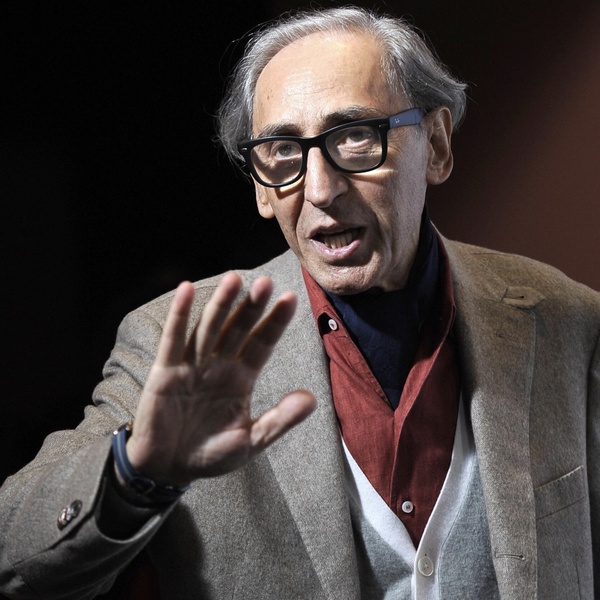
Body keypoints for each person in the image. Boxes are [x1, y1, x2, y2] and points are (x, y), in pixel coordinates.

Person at [1, 5, 599, 599]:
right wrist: (136, 474)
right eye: (283, 150)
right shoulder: (175, 340)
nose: (319, 189)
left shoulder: (569, 322)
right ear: (262, 189)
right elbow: (12, 555)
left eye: (355, 136)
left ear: (437, 145)